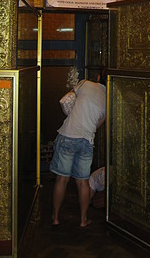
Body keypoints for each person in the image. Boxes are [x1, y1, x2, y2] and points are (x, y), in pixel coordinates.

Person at [49, 78, 106, 227]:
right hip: (86, 140)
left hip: (68, 135)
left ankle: (55, 218)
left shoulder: (85, 83)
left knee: (62, 179)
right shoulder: (108, 98)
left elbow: (67, 98)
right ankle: (83, 220)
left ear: (98, 78)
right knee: (82, 183)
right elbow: (97, 125)